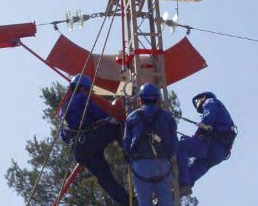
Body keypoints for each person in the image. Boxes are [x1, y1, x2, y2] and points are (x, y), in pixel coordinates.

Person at [58, 74, 131, 205]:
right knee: (116, 124)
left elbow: (63, 137)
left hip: (79, 151)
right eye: (87, 90)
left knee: (104, 176)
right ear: (84, 89)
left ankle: (126, 202)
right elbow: (102, 115)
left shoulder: (63, 110)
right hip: (88, 140)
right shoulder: (82, 99)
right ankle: (131, 156)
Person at [123, 83, 178, 206]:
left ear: (141, 99)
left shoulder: (132, 117)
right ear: (157, 99)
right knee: (167, 202)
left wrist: (130, 159)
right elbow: (174, 141)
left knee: (143, 202)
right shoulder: (167, 116)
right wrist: (169, 156)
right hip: (161, 163)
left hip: (141, 165)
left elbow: (126, 143)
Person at [177, 91, 237, 196]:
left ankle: (182, 182)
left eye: (197, 101)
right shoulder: (222, 113)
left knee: (181, 147)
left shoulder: (210, 101)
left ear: (203, 97)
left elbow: (208, 120)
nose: (197, 105)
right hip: (220, 153)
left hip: (212, 144)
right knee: (198, 166)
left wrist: (196, 137)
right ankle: (183, 187)